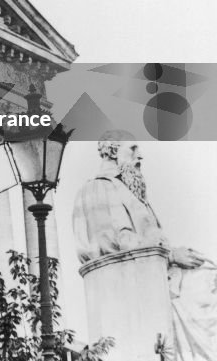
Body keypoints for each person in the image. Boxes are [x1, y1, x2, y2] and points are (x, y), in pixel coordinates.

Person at [73, 131, 216, 359]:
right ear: (112, 151)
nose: (140, 156)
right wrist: (172, 256)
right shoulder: (99, 188)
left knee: (210, 275)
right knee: (209, 285)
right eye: (133, 149)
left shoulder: (127, 190)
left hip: (158, 277)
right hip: (142, 286)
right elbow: (117, 243)